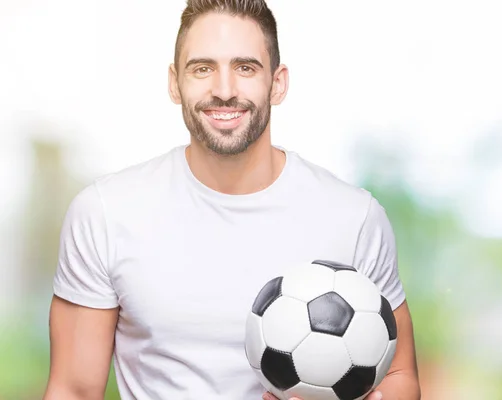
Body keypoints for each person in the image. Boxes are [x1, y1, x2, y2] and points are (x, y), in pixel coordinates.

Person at [42, 0, 421, 399]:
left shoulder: (354, 218)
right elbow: (73, 389)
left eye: (245, 68)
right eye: (202, 68)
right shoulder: (106, 213)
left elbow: (400, 378)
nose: (224, 91)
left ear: (278, 83)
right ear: (175, 82)